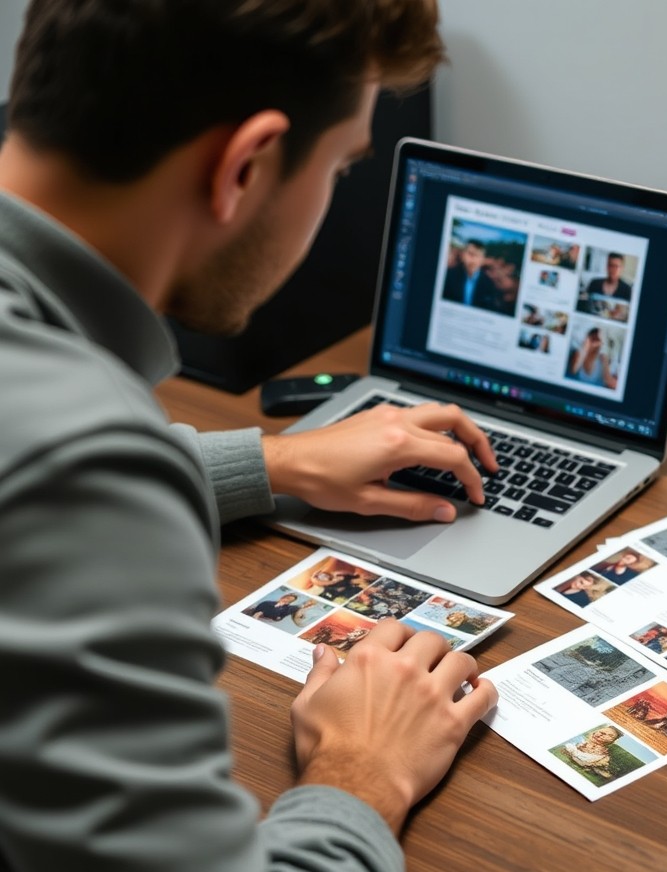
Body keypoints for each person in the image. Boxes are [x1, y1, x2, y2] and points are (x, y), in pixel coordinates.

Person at [0, 2, 500, 870]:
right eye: (343, 167)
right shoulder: (81, 459)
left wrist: (274, 461)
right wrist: (362, 773)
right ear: (247, 165)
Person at [441, 239, 508, 314]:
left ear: (483, 259)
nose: (473, 259)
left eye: (478, 255)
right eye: (470, 254)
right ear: (463, 255)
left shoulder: (489, 284)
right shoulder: (448, 275)